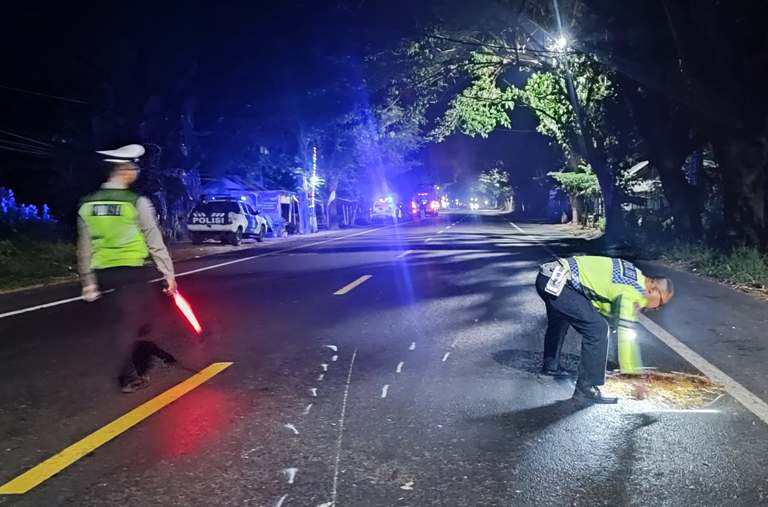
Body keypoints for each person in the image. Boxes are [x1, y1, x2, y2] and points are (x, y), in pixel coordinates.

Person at [77, 144, 178, 393]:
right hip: (132, 271)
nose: (136, 172)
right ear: (123, 170)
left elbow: (84, 246)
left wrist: (88, 281)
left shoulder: (87, 204)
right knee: (131, 324)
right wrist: (168, 275)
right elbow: (154, 240)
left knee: (127, 321)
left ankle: (129, 366)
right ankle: (129, 377)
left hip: (104, 274)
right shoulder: (136, 202)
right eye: (134, 167)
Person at [535, 255, 674, 404]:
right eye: (661, 303)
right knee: (598, 330)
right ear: (653, 290)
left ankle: (551, 367)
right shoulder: (633, 293)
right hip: (560, 283)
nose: (658, 308)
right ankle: (586, 388)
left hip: (549, 275)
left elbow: (603, 294)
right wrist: (634, 377)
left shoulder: (635, 274)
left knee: (561, 318)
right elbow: (626, 339)